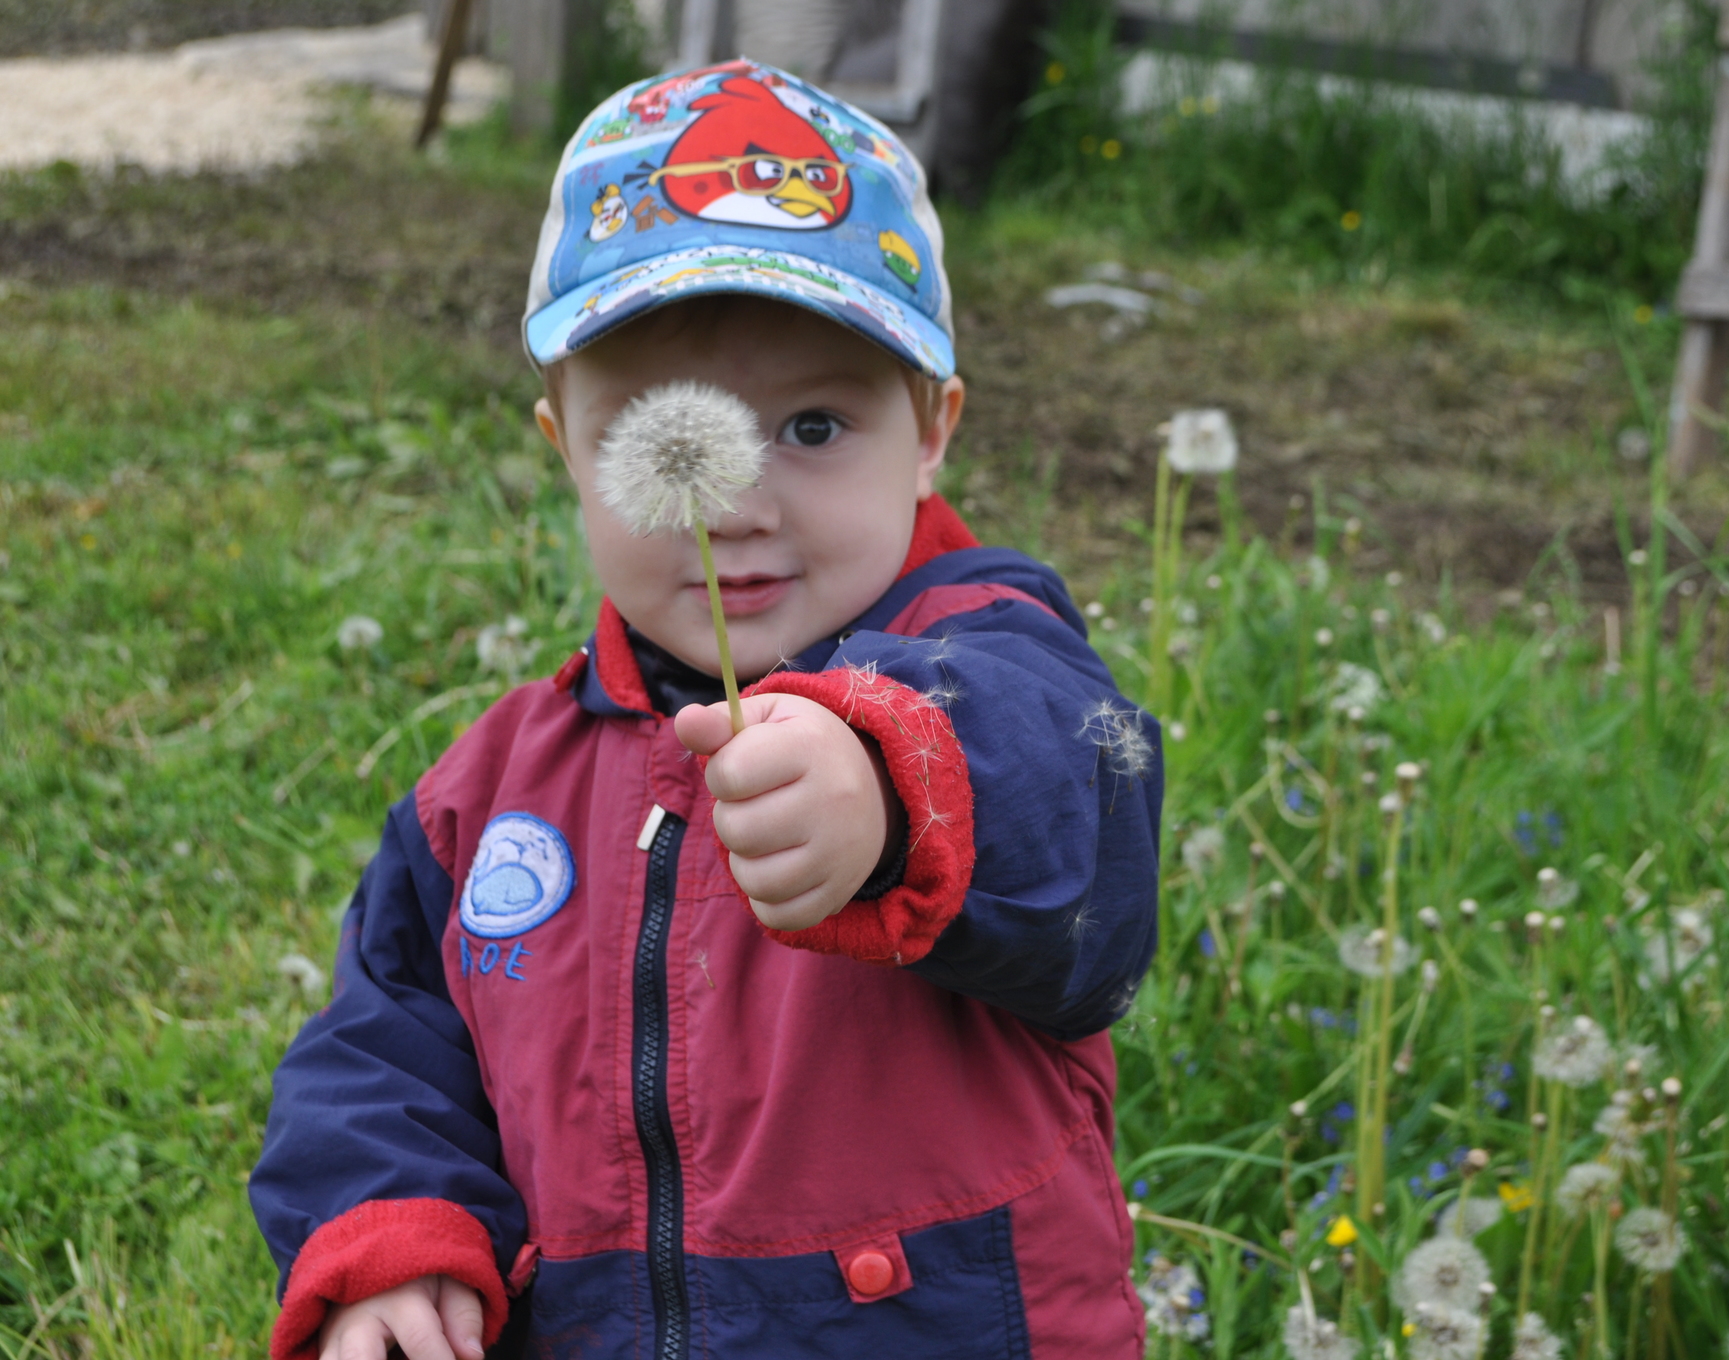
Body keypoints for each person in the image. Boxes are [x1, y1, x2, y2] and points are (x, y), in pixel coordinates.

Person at [247, 59, 1161, 1360]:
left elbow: (1080, 824)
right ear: (565, 444)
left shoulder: (997, 663)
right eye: (662, 431)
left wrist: (889, 787)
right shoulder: (499, 783)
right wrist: (396, 1237)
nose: (734, 501)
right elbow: (385, 1040)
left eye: (812, 424)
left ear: (935, 429)